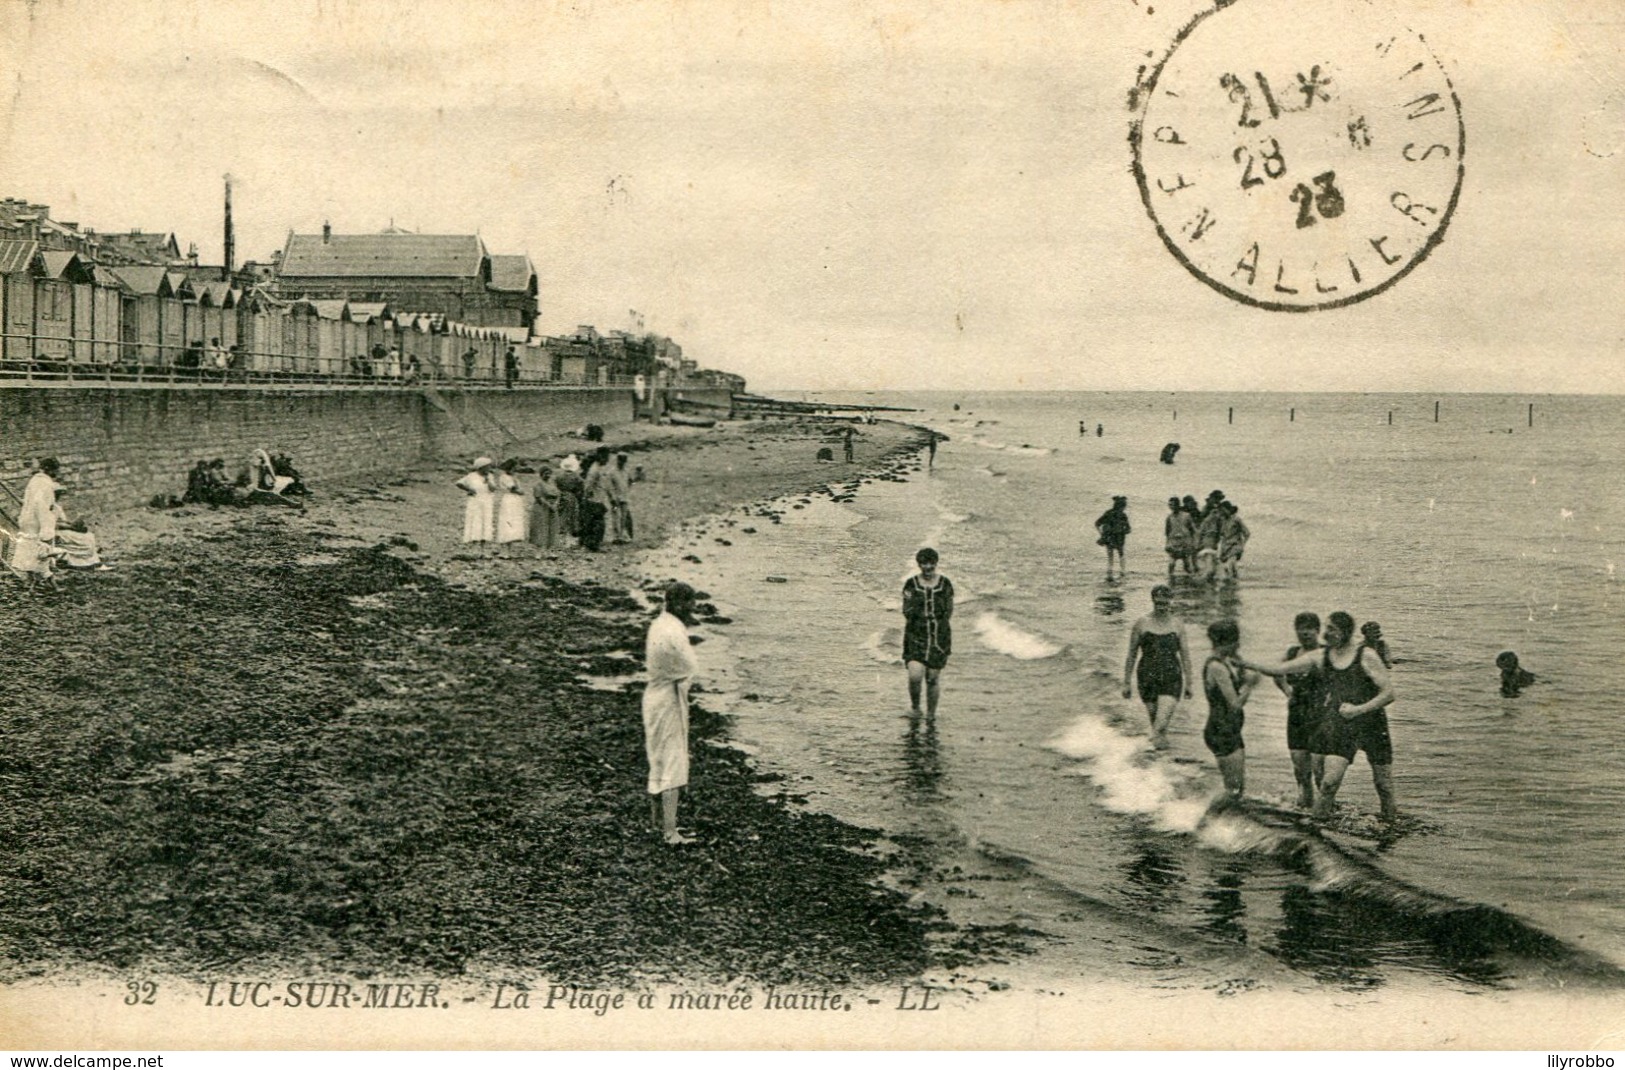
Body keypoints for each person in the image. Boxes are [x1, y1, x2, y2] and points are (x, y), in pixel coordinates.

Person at [1244, 611, 1396, 823]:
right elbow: (1280, 669)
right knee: (1328, 783)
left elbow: (1389, 693)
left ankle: (1390, 827)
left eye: (1331, 629)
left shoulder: (1366, 655)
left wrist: (1358, 710)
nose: (1326, 634)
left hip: (1373, 724)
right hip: (1344, 726)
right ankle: (1317, 828)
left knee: (1384, 786)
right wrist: (1247, 664)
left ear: (1344, 632)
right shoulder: (1322, 656)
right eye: (1326, 628)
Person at [644, 581, 699, 845]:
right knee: (672, 761)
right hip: (667, 698)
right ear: (677, 604)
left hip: (656, 695)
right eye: (690, 605)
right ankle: (669, 831)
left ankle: (659, 823)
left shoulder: (660, 624)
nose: (692, 610)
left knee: (658, 758)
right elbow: (687, 667)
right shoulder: (673, 631)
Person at [1122, 584, 1192, 749]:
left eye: (1165, 603)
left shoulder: (1177, 625)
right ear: (1153, 601)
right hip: (1147, 677)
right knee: (1157, 726)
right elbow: (1131, 655)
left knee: (1160, 725)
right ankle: (1161, 762)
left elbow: (1185, 656)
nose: (1162, 607)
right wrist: (1126, 682)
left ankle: (1155, 761)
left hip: (1171, 677)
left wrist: (1189, 683)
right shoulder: (1141, 624)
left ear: (1170, 602)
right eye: (1158, 603)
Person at [1276, 612, 1326, 809]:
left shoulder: (1326, 653)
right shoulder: (1292, 653)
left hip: (1320, 716)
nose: (1304, 634)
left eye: (1309, 630)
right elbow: (1277, 673)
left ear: (1317, 631)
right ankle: (1306, 804)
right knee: (1299, 766)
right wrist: (1288, 692)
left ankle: (1325, 806)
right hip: (1297, 714)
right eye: (1300, 630)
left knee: (1319, 768)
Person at [1202, 619, 1257, 798]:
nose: (1239, 644)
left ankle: (1220, 822)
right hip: (1221, 731)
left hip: (1229, 729)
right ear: (1227, 642)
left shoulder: (1228, 662)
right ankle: (1200, 822)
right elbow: (1235, 704)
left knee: (1236, 789)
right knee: (1233, 791)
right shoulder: (1216, 667)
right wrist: (1249, 685)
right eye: (1236, 640)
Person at [902, 547, 954, 717]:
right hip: (915, 636)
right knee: (915, 676)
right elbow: (907, 611)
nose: (928, 568)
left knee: (932, 678)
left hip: (939, 638)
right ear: (919, 565)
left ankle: (931, 714)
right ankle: (916, 707)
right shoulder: (911, 584)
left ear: (936, 564)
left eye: (931, 564)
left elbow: (948, 612)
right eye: (924, 564)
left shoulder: (945, 584)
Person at [12, 458, 64, 589]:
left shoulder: (34, 481)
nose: (57, 473)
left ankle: (30, 580)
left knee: (29, 549)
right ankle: (45, 580)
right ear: (50, 470)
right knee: (41, 551)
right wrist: (47, 530)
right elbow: (42, 507)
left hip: (27, 520)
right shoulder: (45, 485)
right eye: (56, 470)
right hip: (37, 521)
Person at [455, 457, 496, 547]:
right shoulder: (472, 476)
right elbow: (459, 483)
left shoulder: (490, 476)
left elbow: (493, 489)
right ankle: (474, 539)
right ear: (481, 467)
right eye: (487, 467)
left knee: (486, 518)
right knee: (476, 518)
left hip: (487, 499)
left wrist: (488, 480)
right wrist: (468, 489)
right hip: (475, 499)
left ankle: (484, 539)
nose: (489, 469)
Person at [579, 447, 613, 551]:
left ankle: (590, 543)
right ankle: (593, 545)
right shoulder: (594, 469)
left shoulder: (598, 468)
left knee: (593, 522)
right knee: (597, 523)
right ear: (601, 456)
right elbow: (588, 485)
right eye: (606, 457)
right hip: (594, 500)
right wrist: (587, 498)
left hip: (597, 499)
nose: (607, 460)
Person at [493, 459, 528, 554]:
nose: (515, 469)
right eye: (514, 467)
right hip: (509, 499)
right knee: (507, 521)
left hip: (515, 500)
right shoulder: (504, 477)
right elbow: (513, 489)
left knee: (513, 521)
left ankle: (509, 549)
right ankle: (504, 550)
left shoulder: (513, 477)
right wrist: (520, 491)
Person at [1094, 495, 1130, 578]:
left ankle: (1110, 572)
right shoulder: (1123, 515)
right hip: (1120, 537)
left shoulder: (1108, 513)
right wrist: (1124, 531)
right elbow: (1128, 529)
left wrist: (1101, 534)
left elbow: (1097, 523)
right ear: (1122, 506)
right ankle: (1122, 572)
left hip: (1109, 537)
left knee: (1110, 556)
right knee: (1121, 554)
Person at [1164, 497, 1196, 577]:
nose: (1171, 507)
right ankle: (1170, 581)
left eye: (1173, 505)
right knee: (1171, 564)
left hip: (1185, 543)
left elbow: (1193, 530)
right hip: (1174, 544)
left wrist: (1193, 543)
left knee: (1188, 565)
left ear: (1178, 505)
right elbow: (1167, 532)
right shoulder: (1169, 517)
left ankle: (1191, 582)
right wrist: (1167, 544)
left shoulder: (1186, 516)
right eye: (1170, 505)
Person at [530, 466, 561, 550]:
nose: (548, 476)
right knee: (541, 527)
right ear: (541, 474)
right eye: (546, 474)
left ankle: (550, 549)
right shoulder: (538, 484)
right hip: (542, 507)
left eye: (549, 474)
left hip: (553, 507)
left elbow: (558, 494)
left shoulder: (552, 484)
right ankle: (539, 551)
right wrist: (549, 505)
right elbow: (539, 497)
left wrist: (556, 504)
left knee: (552, 527)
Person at [1218, 501, 1251, 580]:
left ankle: (1232, 583)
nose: (1222, 512)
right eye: (1221, 511)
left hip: (1235, 546)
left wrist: (1242, 545)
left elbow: (1247, 533)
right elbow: (1221, 535)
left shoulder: (1236, 519)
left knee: (1230, 565)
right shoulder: (1222, 520)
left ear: (1228, 509)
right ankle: (1234, 583)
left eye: (1223, 510)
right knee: (1228, 568)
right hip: (1225, 548)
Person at [608, 453, 634, 543]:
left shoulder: (626, 471)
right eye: (620, 460)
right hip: (615, 498)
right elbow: (609, 485)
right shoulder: (612, 472)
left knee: (623, 517)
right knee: (615, 516)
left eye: (623, 461)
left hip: (624, 496)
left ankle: (622, 535)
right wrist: (612, 497)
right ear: (617, 460)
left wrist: (627, 490)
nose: (621, 463)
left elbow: (630, 481)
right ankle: (616, 537)